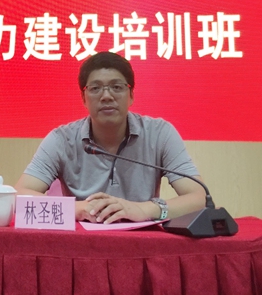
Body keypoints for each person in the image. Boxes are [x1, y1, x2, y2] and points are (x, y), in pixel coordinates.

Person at [15, 52, 206, 224]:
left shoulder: (159, 134)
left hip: (143, 244)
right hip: (79, 245)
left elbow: (199, 198)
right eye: (95, 88)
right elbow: (18, 197)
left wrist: (144, 210)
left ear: (131, 95)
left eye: (116, 87)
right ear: (83, 98)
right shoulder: (61, 140)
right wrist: (78, 209)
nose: (106, 96)